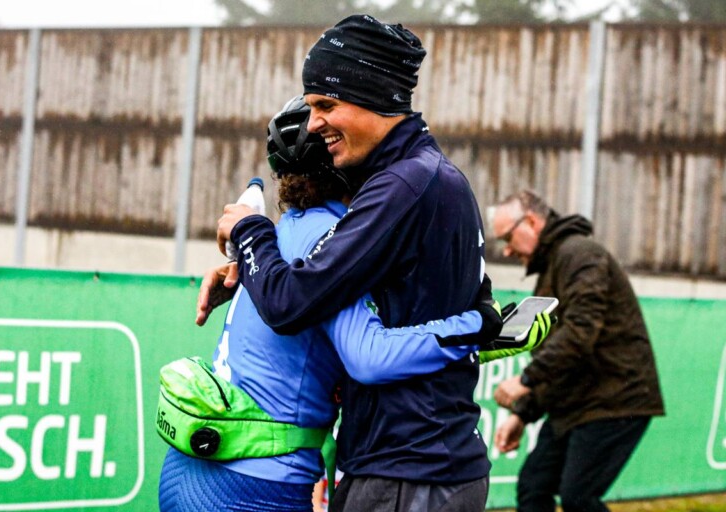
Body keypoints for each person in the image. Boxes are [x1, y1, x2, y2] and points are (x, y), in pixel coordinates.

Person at [160, 96, 518, 512]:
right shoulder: (331, 238)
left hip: (196, 470)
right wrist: (475, 326)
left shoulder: (285, 230)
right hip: (255, 482)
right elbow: (370, 356)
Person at [213, 14, 495, 512]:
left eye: (326, 105)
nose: (313, 123)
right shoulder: (425, 176)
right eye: (310, 107)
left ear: (373, 97)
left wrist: (249, 231)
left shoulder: (402, 186)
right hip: (417, 465)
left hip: (408, 472)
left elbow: (289, 302)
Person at [490, 190, 665, 512]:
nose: (507, 250)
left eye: (508, 238)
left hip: (615, 400)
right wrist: (523, 414)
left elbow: (579, 334)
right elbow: (560, 357)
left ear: (531, 222)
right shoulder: (554, 267)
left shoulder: (580, 254)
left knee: (578, 497)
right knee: (533, 487)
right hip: (577, 402)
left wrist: (525, 380)